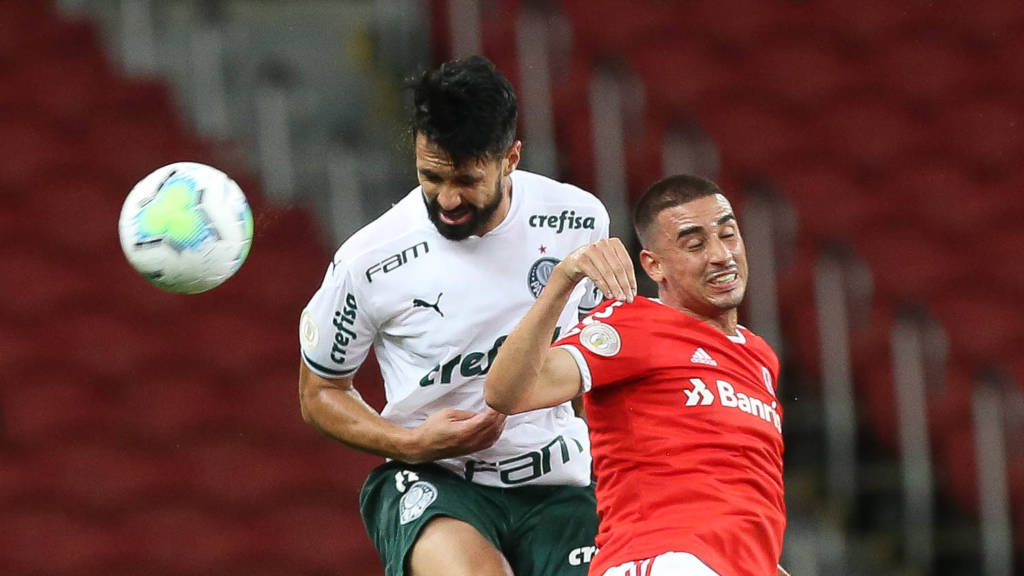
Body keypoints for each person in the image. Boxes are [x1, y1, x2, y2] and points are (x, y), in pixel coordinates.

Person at [297, 55, 606, 576]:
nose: (447, 198)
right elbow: (319, 391)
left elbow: (595, 363)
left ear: (510, 158)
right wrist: (410, 443)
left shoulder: (579, 221)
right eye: (430, 176)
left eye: (466, 179)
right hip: (436, 480)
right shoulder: (369, 260)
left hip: (559, 482)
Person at [485, 174, 788, 576]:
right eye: (695, 245)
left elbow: (740, 491)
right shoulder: (633, 323)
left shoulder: (759, 355)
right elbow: (507, 393)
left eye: (728, 235)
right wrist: (563, 279)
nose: (720, 255)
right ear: (653, 265)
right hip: (662, 559)